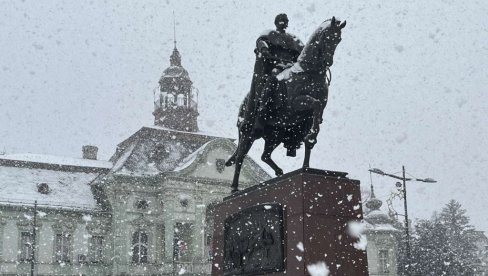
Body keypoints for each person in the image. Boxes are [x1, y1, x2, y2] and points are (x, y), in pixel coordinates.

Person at [240, 14, 304, 136]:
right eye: (280, 21)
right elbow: (261, 41)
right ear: (276, 23)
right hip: (275, 67)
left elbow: (303, 53)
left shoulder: (293, 39)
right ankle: (261, 113)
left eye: (285, 21)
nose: (283, 23)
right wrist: (264, 49)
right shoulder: (270, 35)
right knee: (274, 78)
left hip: (291, 69)